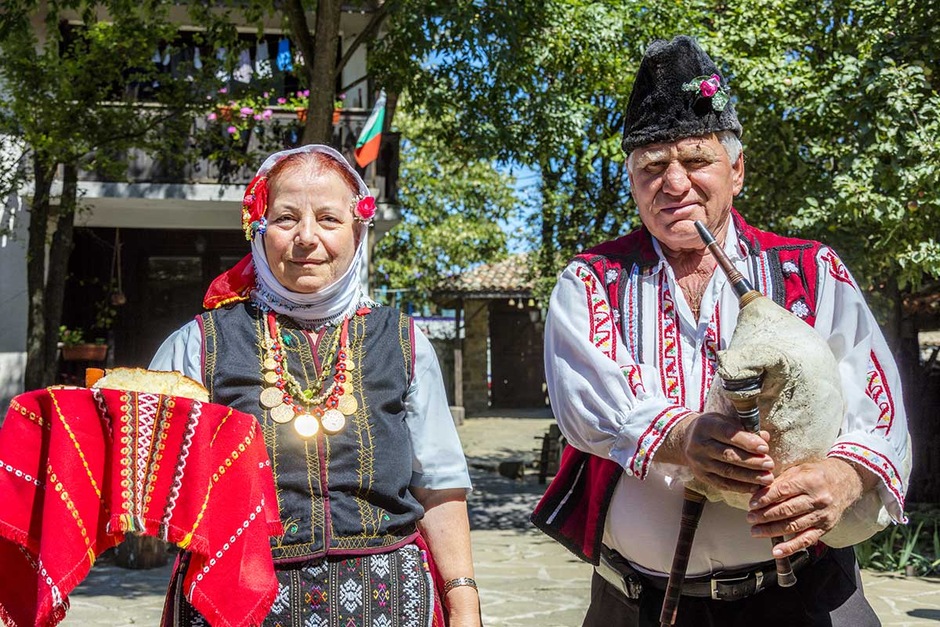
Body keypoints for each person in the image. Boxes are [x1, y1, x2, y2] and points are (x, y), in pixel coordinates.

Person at [531, 36, 911, 626]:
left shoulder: (811, 270)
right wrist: (683, 436)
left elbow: (878, 409)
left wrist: (843, 477)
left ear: (736, 170)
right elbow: (586, 405)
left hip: (801, 598)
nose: (675, 184)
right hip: (638, 604)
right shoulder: (591, 282)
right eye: (652, 166)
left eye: (695, 160)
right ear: (632, 182)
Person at [150, 144, 482, 627]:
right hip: (238, 604)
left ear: (358, 229)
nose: (307, 237)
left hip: (388, 603)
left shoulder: (405, 342)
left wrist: (463, 601)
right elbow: (154, 476)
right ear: (259, 230)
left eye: (328, 218)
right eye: (286, 218)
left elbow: (439, 487)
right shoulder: (200, 344)